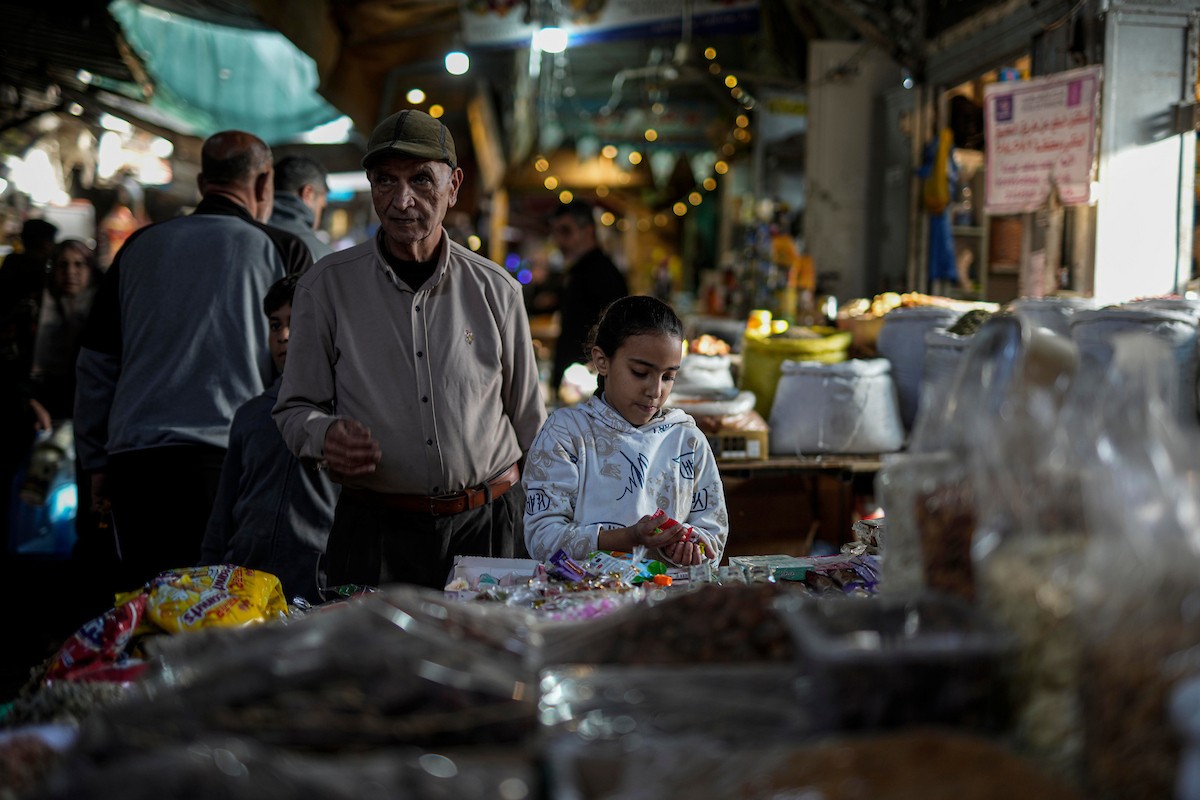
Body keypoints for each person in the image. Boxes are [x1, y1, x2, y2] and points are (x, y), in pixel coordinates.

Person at [274, 108, 547, 591]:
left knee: (485, 664)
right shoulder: (326, 287)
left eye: (422, 180)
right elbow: (295, 408)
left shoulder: (496, 290)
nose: (402, 200)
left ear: (454, 185)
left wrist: (555, 525)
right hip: (376, 531)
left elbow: (531, 423)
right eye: (385, 181)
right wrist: (324, 434)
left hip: (487, 527)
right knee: (377, 665)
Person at [75, 130, 313, 594]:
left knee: (149, 609)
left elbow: (96, 363)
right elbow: (302, 363)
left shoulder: (138, 248)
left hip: (137, 464)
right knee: (223, 610)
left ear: (203, 182)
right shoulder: (282, 248)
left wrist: (95, 461)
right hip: (233, 465)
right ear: (264, 184)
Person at [523, 295, 728, 566]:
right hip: (584, 601)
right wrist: (628, 537)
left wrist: (689, 549)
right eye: (640, 372)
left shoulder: (687, 441)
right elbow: (542, 539)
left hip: (663, 601)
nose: (655, 391)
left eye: (668, 377)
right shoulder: (566, 434)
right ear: (602, 361)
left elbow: (712, 535)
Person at [200, 275, 338, 604]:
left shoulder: (342, 417)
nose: (284, 336)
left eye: (296, 323)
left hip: (311, 591)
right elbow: (222, 514)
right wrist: (206, 576)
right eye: (275, 326)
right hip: (240, 586)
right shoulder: (251, 415)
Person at [548, 200, 628, 397]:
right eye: (556, 232)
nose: (559, 241)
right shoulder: (579, 270)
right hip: (575, 385)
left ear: (588, 231)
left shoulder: (603, 273)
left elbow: (620, 331)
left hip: (588, 390)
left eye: (566, 231)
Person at [30, 239, 102, 420]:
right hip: (44, 407)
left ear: (90, 269)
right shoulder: (35, 309)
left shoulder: (104, 313)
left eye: (79, 264)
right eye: (63, 265)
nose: (70, 272)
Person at [270, 155, 334, 261]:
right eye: (321, 206)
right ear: (307, 193)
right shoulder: (322, 258)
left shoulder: (246, 238)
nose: (320, 213)